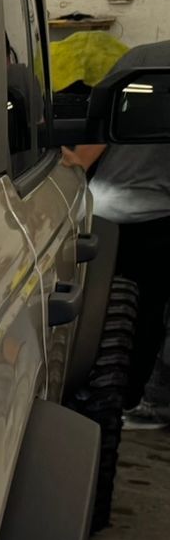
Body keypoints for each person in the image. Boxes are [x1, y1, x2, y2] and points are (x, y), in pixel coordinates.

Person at [62, 38, 170, 427]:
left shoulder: (141, 55)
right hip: (158, 216)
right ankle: (137, 403)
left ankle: (97, 399)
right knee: (148, 315)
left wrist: (75, 164)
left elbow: (98, 123)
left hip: (103, 210)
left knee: (100, 310)